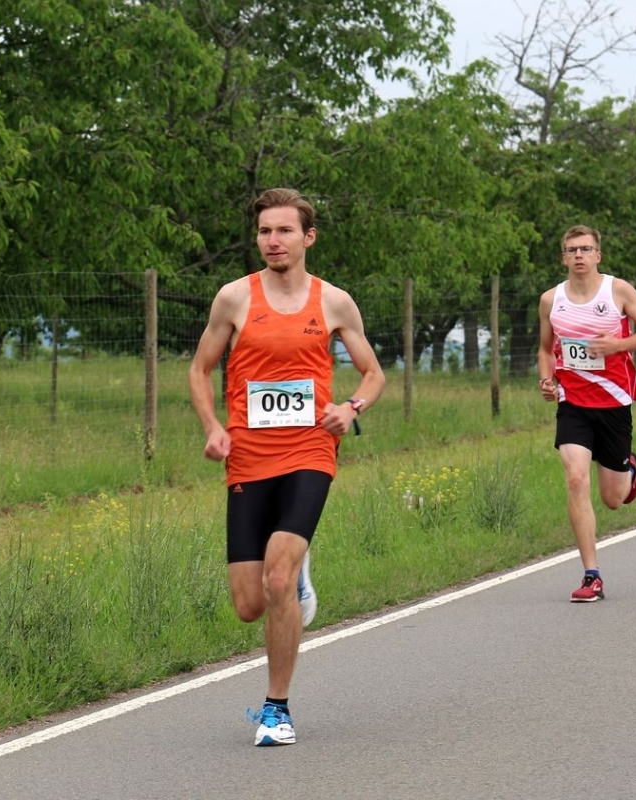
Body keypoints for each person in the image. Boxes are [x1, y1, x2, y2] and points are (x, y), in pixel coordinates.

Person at [188, 187, 385, 746]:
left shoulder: (334, 302)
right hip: (249, 454)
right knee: (251, 604)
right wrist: (213, 428)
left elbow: (373, 374)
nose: (272, 241)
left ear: (308, 237)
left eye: (284, 231)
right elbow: (201, 370)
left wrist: (350, 408)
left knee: (275, 572)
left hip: (310, 451)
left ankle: (276, 710)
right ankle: (296, 577)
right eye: (264, 232)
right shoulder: (233, 298)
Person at [537, 224, 636, 602]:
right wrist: (547, 380)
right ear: (563, 257)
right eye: (572, 249)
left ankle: (629, 468)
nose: (579, 255)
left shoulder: (617, 291)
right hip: (572, 403)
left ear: (598, 255)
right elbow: (545, 349)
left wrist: (618, 345)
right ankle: (591, 574)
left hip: (613, 402)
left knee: (613, 498)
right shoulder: (551, 300)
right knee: (576, 479)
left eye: (586, 249)